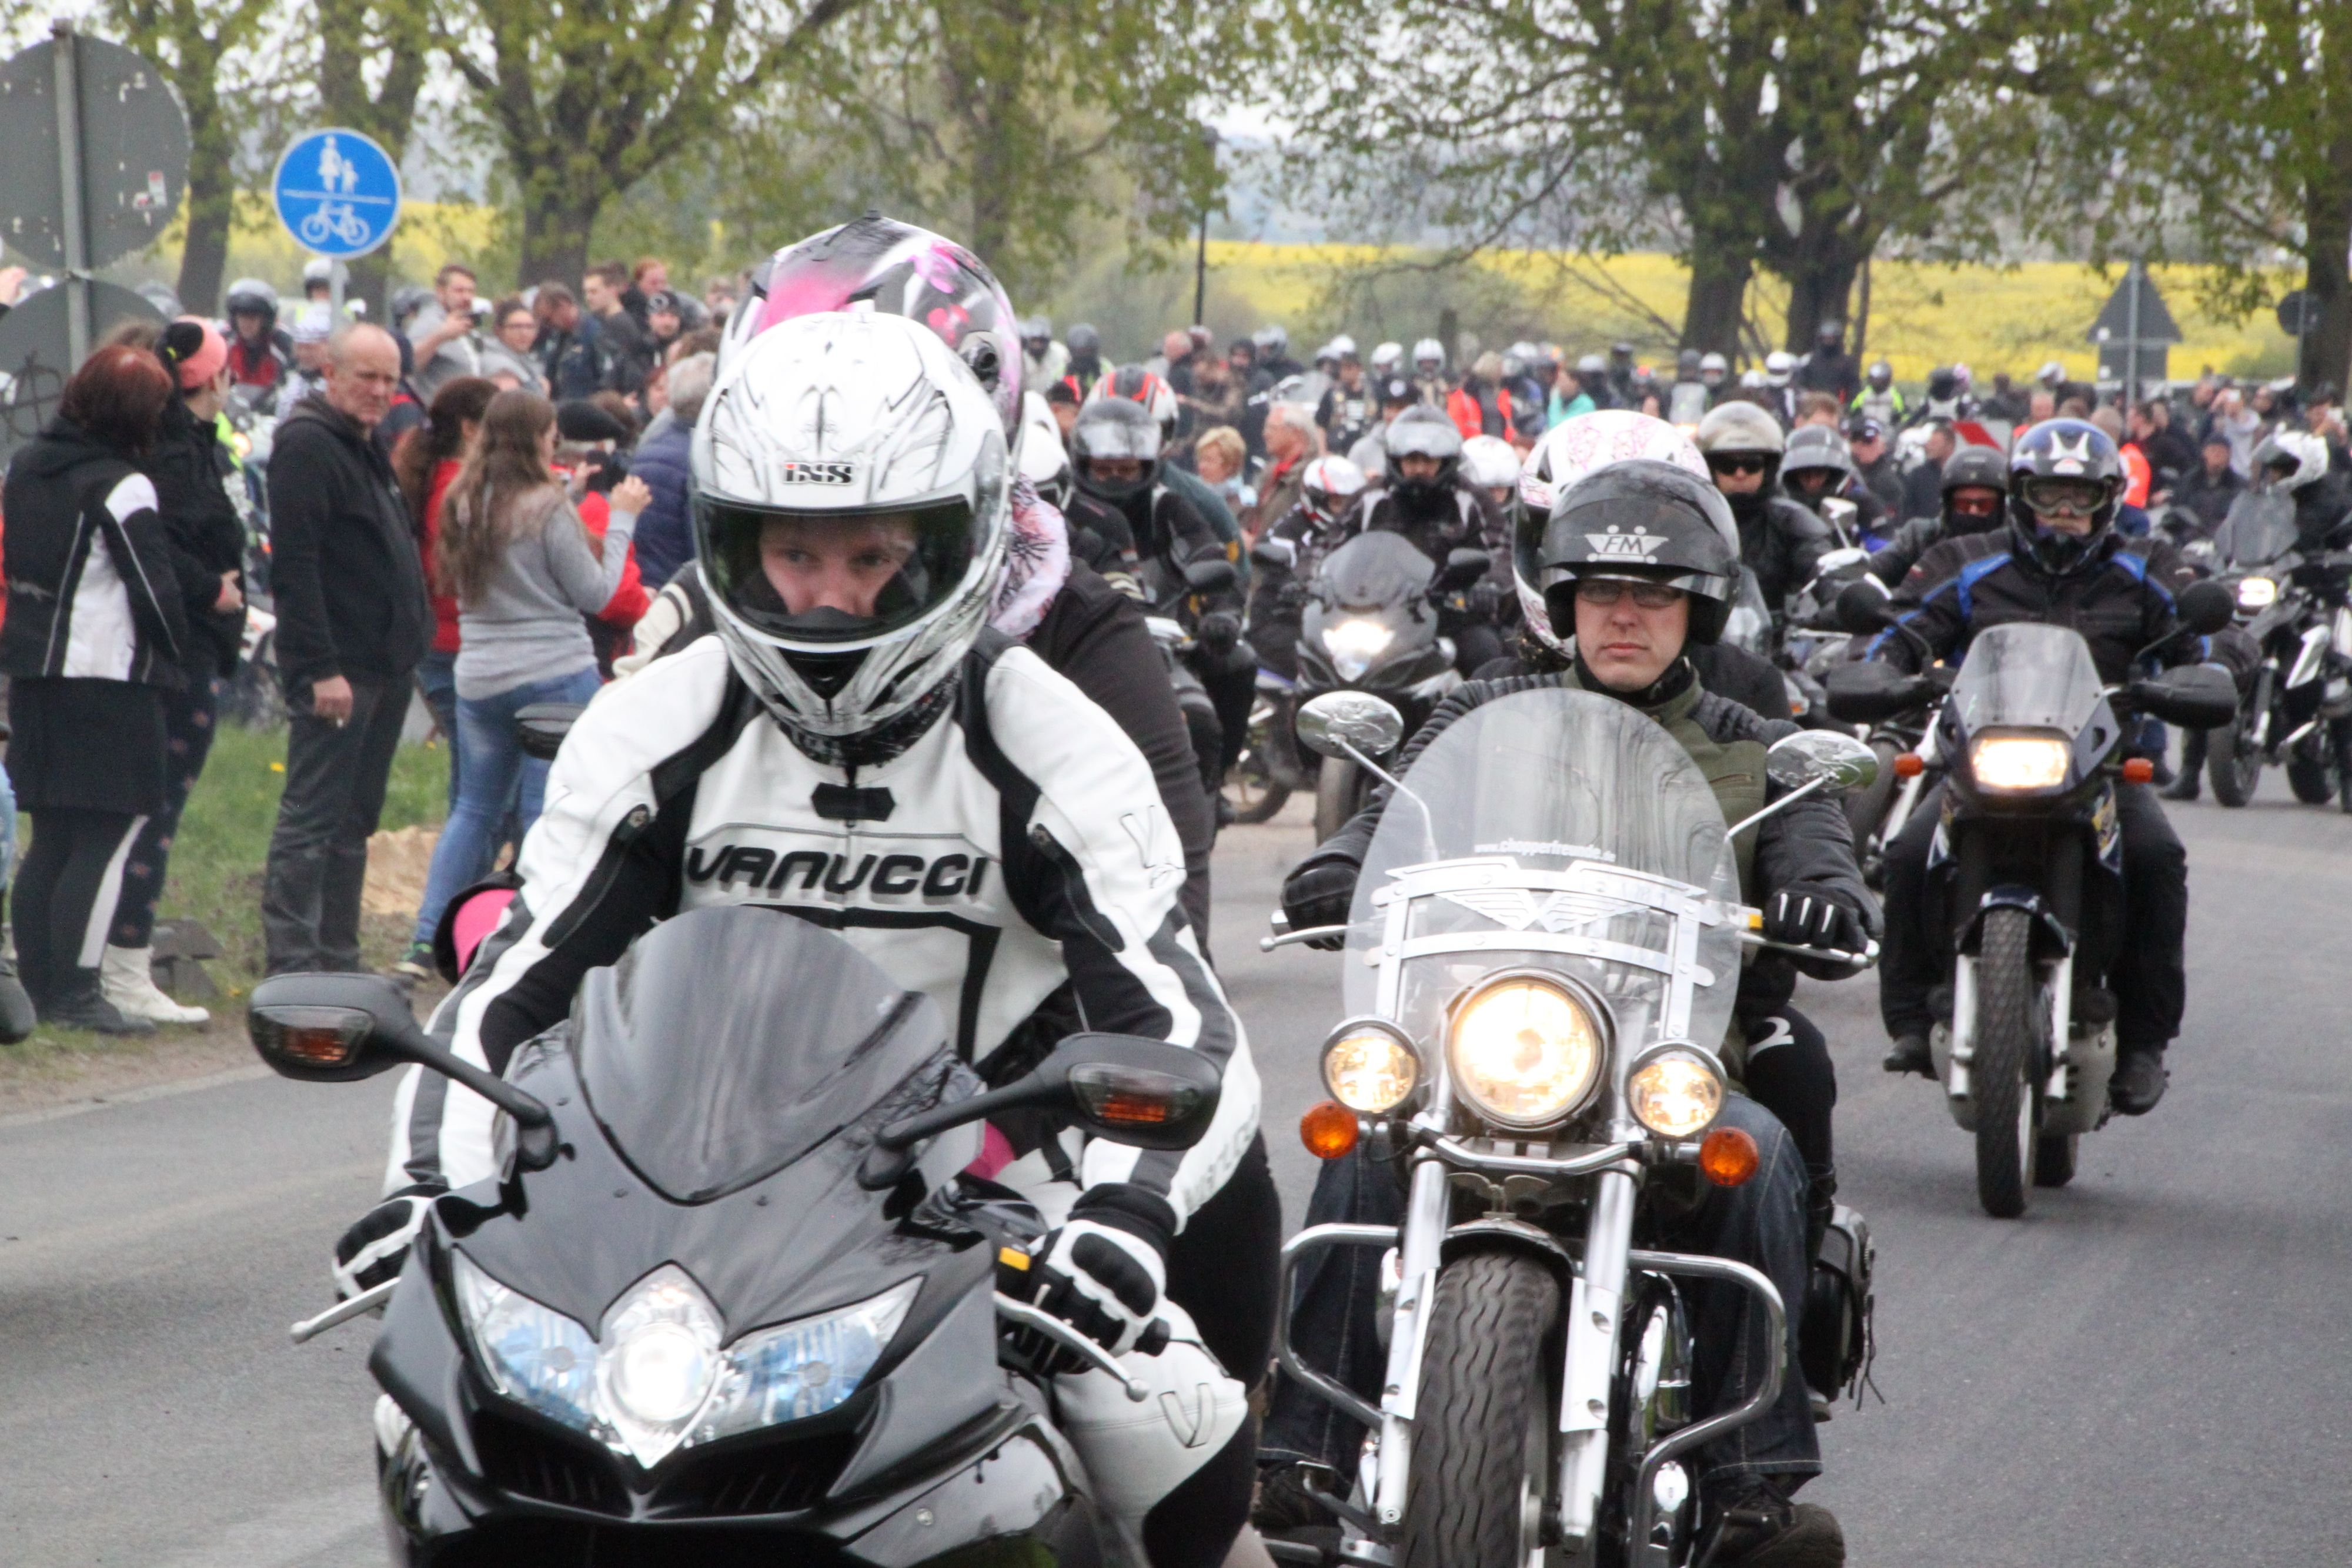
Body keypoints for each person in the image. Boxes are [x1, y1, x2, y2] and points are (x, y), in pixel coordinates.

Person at [350, 311, 1273, 1568]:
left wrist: (1118, 1222)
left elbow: (1179, 1022)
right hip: (679, 1194)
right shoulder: (657, 724)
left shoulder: (1050, 740)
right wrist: (427, 1191)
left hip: (988, 1188)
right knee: (424, 1407)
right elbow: (508, 986)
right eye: (791, 552)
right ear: (733, 545)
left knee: (1167, 1427)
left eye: (873, 552)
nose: (828, 592)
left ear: (956, 543)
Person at [1267, 456, 1867, 1567]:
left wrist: (1821, 896)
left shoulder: (1755, 746)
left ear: (1697, 608)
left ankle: (1754, 1487)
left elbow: (1822, 850)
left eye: (1651, 596)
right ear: (1563, 602)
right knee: (1359, 1141)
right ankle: (1300, 1456)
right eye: (1600, 593)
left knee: (1762, 1150)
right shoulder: (1478, 710)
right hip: (1485, 1047)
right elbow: (1393, 804)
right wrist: (1336, 864)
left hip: (1665, 1064)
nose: (1624, 616)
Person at [1869, 419, 2240, 1114]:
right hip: (1981, 757)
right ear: (2020, 495)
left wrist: (2212, 672)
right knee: (1907, 850)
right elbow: (1897, 631)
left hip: (2101, 765)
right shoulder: (1967, 559)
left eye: (2080, 498)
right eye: (2048, 496)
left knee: (2159, 857)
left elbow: (2212, 636)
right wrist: (1880, 670)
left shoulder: (2147, 564)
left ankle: (2143, 1044)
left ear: (2107, 501)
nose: (2065, 513)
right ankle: (1914, 1021)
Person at [400, 389, 648, 974]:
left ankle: (427, 936)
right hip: (553, 673)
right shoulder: (545, 506)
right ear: (538, 438)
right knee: (547, 807)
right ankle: (537, 933)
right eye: (550, 432)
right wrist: (622, 519)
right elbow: (594, 592)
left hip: (480, 675)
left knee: (475, 807)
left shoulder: (462, 498)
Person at [0, 346, 188, 1034]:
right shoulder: (122, 484)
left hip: (34, 675)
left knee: (51, 836)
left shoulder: (26, 467)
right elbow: (154, 589)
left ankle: (43, 988)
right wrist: (182, 656)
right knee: (108, 834)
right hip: (108, 679)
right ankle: (79, 993)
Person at [261, 324, 433, 975]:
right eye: (366, 376)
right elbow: (296, 569)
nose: (379, 391)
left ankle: (337, 954)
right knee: (313, 815)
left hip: (384, 666)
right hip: (340, 670)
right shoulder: (309, 445)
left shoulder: (363, 444)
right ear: (330, 373)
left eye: (390, 379)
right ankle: (292, 959)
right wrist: (318, 669)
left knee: (355, 818)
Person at [93, 321, 250, 1026]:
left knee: (138, 815)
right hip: (176, 653)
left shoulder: (174, 448)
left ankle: (108, 965)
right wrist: (212, 589)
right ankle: (121, 967)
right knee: (151, 814)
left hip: (182, 650)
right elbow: (185, 537)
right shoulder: (175, 457)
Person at [391, 377, 499, 817]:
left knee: (473, 780)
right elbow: (450, 575)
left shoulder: (437, 476)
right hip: (456, 643)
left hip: (443, 641)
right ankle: (467, 880)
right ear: (472, 429)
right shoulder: (458, 490)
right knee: (481, 790)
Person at [1350, 405, 1511, 673]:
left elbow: (1502, 548)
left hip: (1451, 616)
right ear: (1395, 460)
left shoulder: (1472, 500)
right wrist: (1310, 580)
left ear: (1446, 462)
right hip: (1375, 615)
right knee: (1326, 657)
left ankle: (1487, 715)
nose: (1419, 469)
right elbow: (1329, 547)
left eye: (1429, 461)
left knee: (1487, 656)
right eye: (1411, 461)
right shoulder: (1369, 500)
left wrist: (1489, 585)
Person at [1694, 402, 1831, 630]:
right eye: (1727, 464)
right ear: (1709, 466)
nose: (1740, 473)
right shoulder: (1692, 518)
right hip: (1700, 640)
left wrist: (1841, 592)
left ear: (1769, 467)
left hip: (1776, 645)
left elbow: (1820, 563)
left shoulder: (1791, 520)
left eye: (1752, 464)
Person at [1245, 453, 1368, 681]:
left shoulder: (1365, 532)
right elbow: (1271, 550)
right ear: (1317, 498)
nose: (1345, 510)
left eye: (1351, 502)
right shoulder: (1290, 529)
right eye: (1338, 502)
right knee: (1315, 666)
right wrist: (1297, 584)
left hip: (1348, 622)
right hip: (1285, 619)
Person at [1863, 443, 2008, 586]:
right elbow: (1877, 568)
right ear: (1948, 504)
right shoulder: (1920, 537)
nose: (1973, 511)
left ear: (2002, 505)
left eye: (1985, 505)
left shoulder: (2019, 545)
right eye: (1963, 505)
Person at [626, 351, 713, 589]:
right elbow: (701, 546)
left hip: (648, 581)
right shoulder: (701, 458)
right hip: (684, 588)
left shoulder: (649, 445)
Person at [406, 263, 487, 399]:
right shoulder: (429, 322)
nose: (467, 297)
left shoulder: (467, 324)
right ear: (440, 293)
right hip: (439, 414)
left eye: (471, 291)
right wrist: (441, 336)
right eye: (459, 291)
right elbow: (408, 366)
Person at [1248, 401, 1319, 537]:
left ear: (1296, 433)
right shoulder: (1270, 473)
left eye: (1272, 428)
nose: (1265, 434)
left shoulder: (1311, 477)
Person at [222, 278, 292, 399]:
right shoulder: (223, 344)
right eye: (242, 316)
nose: (246, 323)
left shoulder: (283, 346)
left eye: (253, 317)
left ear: (266, 320)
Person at [531, 282, 602, 400]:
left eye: (548, 319)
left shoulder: (595, 334)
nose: (548, 326)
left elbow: (608, 379)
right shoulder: (556, 340)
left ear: (563, 305)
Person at [2169, 429, 2245, 539]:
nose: (2217, 455)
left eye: (2222, 452)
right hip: (2190, 539)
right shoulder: (2189, 481)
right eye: (2213, 450)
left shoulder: (2239, 485)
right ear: (2204, 453)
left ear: (2229, 456)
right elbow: (2177, 510)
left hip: (2225, 540)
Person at [1317, 341, 1376, 453]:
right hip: (1338, 451)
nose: (1345, 372)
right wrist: (1323, 452)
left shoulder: (1373, 393)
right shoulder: (1332, 393)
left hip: (1367, 451)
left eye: (1349, 368)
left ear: (1359, 368)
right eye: (1342, 368)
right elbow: (1321, 426)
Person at [1899, 419, 1955, 520]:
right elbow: (1907, 510)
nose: (1929, 447)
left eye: (1935, 444)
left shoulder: (1959, 476)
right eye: (1929, 443)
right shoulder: (1917, 476)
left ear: (1950, 446)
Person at [1849, 417, 1903, 517]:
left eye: (1868, 441)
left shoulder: (1889, 484)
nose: (1860, 446)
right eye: (1855, 440)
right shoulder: (1842, 474)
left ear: (1882, 446)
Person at [1796, 319, 1859, 403]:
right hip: (1813, 406)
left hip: (1837, 406)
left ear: (1837, 339)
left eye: (1831, 339)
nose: (1828, 342)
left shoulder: (1847, 363)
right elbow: (1802, 384)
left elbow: (1854, 387)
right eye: (1825, 339)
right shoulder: (1811, 360)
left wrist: (1846, 407)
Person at [1850, 360, 1905, 428]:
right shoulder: (1863, 396)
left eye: (1880, 380)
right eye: (1874, 379)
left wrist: (1897, 420)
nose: (1877, 382)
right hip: (1865, 430)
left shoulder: (1895, 397)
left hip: (1887, 432)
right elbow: (1853, 413)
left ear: (1887, 380)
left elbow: (1903, 416)